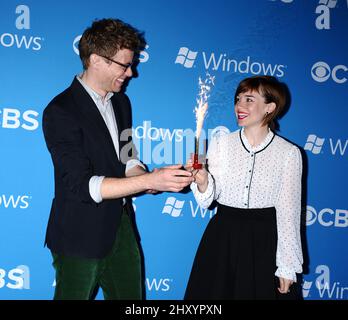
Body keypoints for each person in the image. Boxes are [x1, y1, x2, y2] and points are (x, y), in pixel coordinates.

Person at [42, 18, 193, 300]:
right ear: (97, 60)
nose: (131, 73)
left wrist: (146, 179)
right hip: (78, 233)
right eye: (125, 65)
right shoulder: (60, 110)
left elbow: (127, 157)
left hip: (121, 227)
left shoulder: (121, 102)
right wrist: (148, 180)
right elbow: (82, 185)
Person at [184, 75, 303, 300]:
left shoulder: (288, 153)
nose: (239, 105)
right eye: (238, 99)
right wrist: (202, 182)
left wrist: (288, 266)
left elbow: (289, 213)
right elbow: (208, 199)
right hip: (222, 238)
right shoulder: (221, 144)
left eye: (249, 99)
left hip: (264, 241)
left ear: (270, 107)